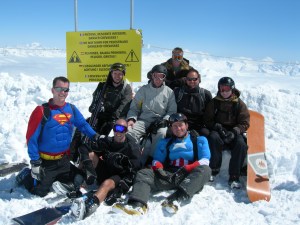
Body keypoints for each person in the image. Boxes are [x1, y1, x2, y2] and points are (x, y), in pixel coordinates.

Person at [112, 113, 211, 215]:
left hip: (188, 176)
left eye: (180, 125)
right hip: (170, 175)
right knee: (144, 173)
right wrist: (159, 169)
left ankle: (176, 199)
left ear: (186, 125)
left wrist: (187, 168)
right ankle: (137, 204)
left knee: (206, 170)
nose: (178, 128)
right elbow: (156, 160)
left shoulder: (199, 140)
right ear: (171, 128)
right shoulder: (165, 142)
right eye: (174, 126)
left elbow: (205, 160)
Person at [16, 76, 98, 197]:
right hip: (46, 162)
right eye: (59, 88)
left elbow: (83, 125)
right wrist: (35, 162)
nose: (62, 92)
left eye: (65, 90)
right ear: (52, 90)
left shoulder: (72, 109)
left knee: (79, 179)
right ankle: (26, 175)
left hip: (63, 160)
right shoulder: (42, 111)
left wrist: (95, 136)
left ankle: (55, 179)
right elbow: (31, 138)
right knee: (40, 192)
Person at [70, 119, 142, 220]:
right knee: (89, 155)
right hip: (105, 170)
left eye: (122, 129)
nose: (119, 132)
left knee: (107, 183)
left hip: (118, 177)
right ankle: (76, 183)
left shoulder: (132, 148)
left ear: (126, 131)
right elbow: (84, 148)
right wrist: (89, 168)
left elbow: (134, 172)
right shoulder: (108, 141)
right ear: (113, 129)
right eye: (117, 128)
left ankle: (91, 204)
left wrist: (120, 189)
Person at [203, 77, 250, 189]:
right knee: (213, 138)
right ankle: (213, 170)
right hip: (219, 130)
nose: (224, 92)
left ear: (232, 89)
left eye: (227, 89)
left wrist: (235, 131)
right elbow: (207, 119)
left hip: (233, 131)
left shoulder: (239, 104)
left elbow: (245, 122)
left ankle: (234, 176)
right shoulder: (214, 103)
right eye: (221, 89)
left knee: (241, 144)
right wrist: (216, 126)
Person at [127, 64, 177, 166]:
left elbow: (172, 111)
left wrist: (165, 120)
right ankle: (133, 156)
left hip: (160, 122)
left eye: (161, 76)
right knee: (129, 131)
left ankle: (152, 159)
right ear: (151, 76)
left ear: (164, 77)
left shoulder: (169, 92)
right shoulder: (143, 90)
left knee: (162, 134)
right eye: (155, 75)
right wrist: (132, 119)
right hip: (144, 120)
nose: (158, 79)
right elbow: (135, 107)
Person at [174, 68, 212, 136]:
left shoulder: (205, 94)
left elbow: (209, 114)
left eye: (194, 79)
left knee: (207, 134)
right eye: (189, 79)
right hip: (180, 125)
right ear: (186, 80)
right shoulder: (178, 92)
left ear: (199, 79)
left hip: (199, 126)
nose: (192, 81)